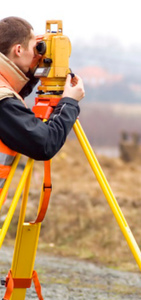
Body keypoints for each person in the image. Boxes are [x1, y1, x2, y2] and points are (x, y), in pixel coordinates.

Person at [0, 16, 85, 193]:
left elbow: (10, 101)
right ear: (18, 50)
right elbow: (44, 144)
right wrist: (69, 103)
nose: (37, 55)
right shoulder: (4, 102)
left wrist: (31, 74)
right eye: (35, 48)